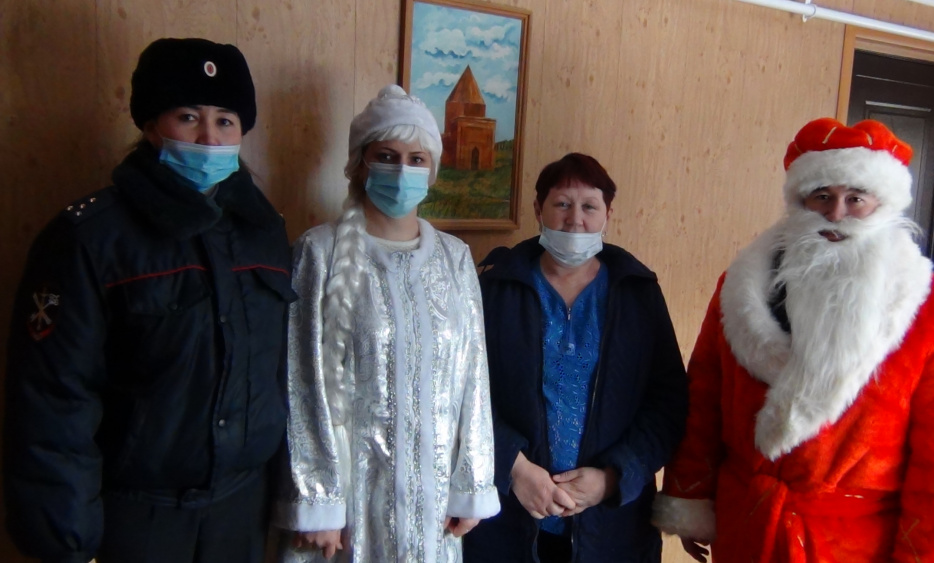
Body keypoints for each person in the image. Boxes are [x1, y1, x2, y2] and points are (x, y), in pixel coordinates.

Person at [3, 38, 294, 563]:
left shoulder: (264, 231)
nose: (209, 137)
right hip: (135, 516)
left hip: (241, 511)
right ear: (150, 125)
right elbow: (54, 398)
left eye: (225, 120)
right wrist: (66, 540)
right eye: (188, 117)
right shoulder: (90, 238)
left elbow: (280, 376)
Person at [652, 118, 934, 562]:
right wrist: (691, 496)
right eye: (822, 196)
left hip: (855, 545)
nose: (835, 214)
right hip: (746, 529)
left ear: (883, 204)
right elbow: (704, 397)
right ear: (800, 201)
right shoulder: (739, 289)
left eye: (856, 199)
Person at [273, 84, 499, 563]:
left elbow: (473, 377)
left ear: (432, 170)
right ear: (361, 164)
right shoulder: (320, 252)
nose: (402, 170)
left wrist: (473, 484)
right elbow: (304, 381)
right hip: (349, 512)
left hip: (435, 509)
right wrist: (319, 499)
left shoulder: (455, 259)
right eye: (387, 156)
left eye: (416, 159)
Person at [462, 153, 689, 563]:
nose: (575, 220)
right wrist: (512, 466)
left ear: (608, 214)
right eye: (562, 204)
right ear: (538, 209)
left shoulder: (637, 294)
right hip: (506, 517)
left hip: (612, 529)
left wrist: (613, 477)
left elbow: (668, 402)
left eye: (589, 206)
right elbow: (464, 391)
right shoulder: (496, 290)